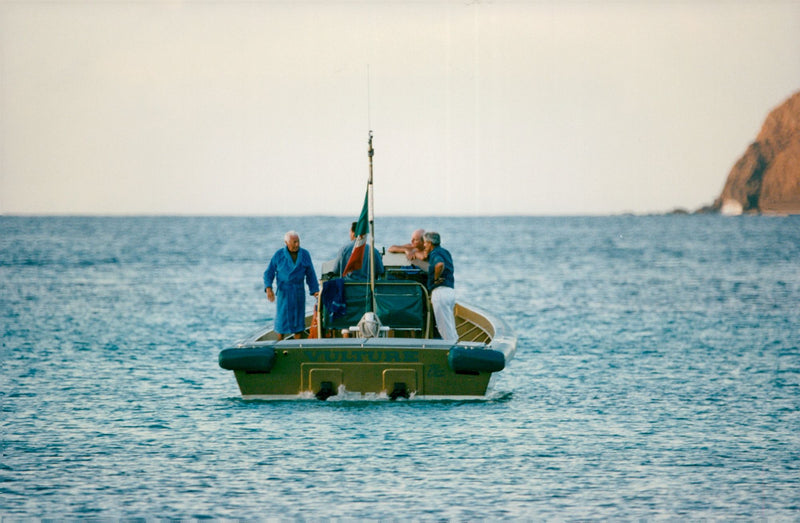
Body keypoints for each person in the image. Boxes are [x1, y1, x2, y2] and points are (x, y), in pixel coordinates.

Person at [263, 230, 320, 340]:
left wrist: (314, 290)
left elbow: (310, 274)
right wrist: (268, 288)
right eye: (294, 242)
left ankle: (297, 343)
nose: (297, 245)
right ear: (286, 243)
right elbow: (268, 273)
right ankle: (279, 342)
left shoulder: (304, 254)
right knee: (282, 320)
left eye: (298, 241)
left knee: (298, 320)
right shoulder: (279, 255)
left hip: (298, 291)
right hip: (284, 292)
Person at [423, 231, 457, 342]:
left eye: (425, 243)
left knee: (444, 327)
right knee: (450, 324)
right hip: (450, 291)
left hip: (440, 292)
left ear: (429, 243)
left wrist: (436, 278)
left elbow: (439, 264)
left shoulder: (434, 254)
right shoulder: (445, 252)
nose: (424, 245)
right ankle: (455, 343)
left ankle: (451, 348)